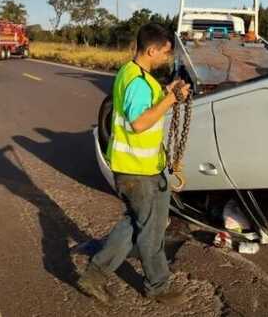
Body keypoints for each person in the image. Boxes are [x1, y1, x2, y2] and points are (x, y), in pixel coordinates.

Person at [77, 23, 190, 306]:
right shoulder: (139, 82)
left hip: (134, 169)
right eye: (165, 53)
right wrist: (172, 99)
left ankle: (94, 275)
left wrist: (167, 92)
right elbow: (139, 123)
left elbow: (142, 105)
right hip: (139, 172)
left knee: (134, 224)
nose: (167, 58)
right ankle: (157, 286)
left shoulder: (131, 72)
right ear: (151, 50)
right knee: (151, 232)